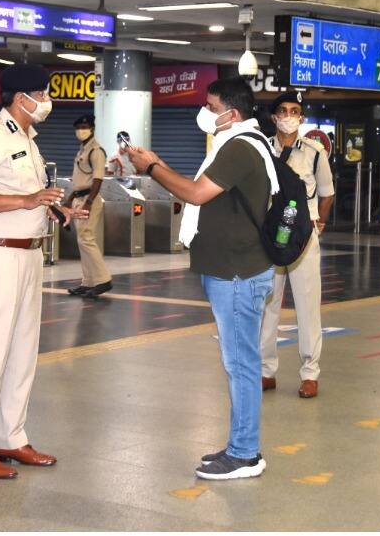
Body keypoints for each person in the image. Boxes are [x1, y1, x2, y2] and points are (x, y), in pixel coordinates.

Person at [127, 77, 279, 480]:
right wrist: (154, 163)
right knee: (239, 361)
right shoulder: (239, 144)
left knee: (241, 364)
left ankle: (245, 454)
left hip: (237, 273)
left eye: (211, 106)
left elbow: (195, 194)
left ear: (232, 112)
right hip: (234, 270)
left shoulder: (240, 147)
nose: (206, 112)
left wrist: (153, 167)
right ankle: (240, 444)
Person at [0, 63, 81, 479]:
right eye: (42, 93)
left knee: (23, 352)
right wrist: (27, 201)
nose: (47, 100)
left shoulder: (28, 138)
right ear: (20, 97)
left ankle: (11, 436)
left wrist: (56, 208)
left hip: (29, 255)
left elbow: (27, 194)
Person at [258, 92, 334, 399]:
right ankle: (265, 370)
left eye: (295, 111)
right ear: (274, 116)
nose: (289, 116)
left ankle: (309, 373)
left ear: (301, 118)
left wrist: (319, 222)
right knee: (268, 305)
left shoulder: (315, 152)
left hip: (303, 238)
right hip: (271, 239)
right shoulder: (261, 149)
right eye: (283, 111)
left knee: (307, 305)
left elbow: (327, 193)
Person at [63, 114, 112, 299]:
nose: (80, 131)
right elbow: (79, 181)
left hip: (88, 200)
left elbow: (98, 179)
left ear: (91, 128)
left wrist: (89, 202)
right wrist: (69, 199)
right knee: (82, 241)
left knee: (86, 239)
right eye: (78, 127)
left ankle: (103, 280)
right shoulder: (83, 149)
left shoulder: (96, 151)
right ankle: (88, 282)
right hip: (79, 198)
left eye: (84, 127)